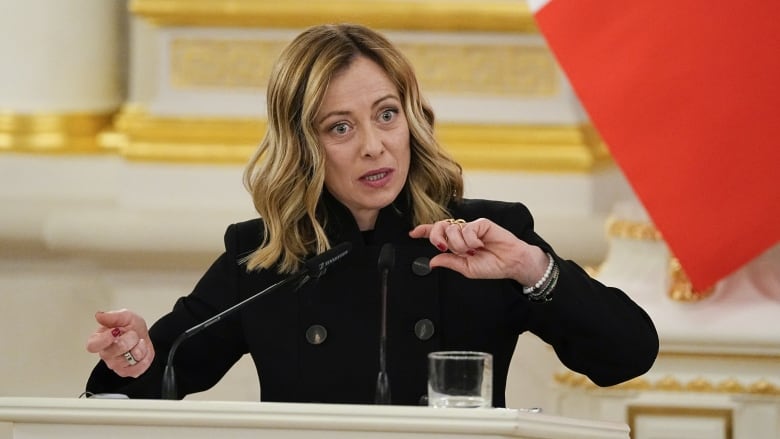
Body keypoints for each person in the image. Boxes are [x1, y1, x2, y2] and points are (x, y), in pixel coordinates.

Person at [85, 23, 658, 407]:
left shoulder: (484, 239)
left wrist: (535, 269)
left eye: (386, 114)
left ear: (410, 118)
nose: (373, 146)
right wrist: (131, 355)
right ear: (303, 144)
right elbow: (143, 383)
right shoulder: (262, 257)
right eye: (340, 127)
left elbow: (627, 356)